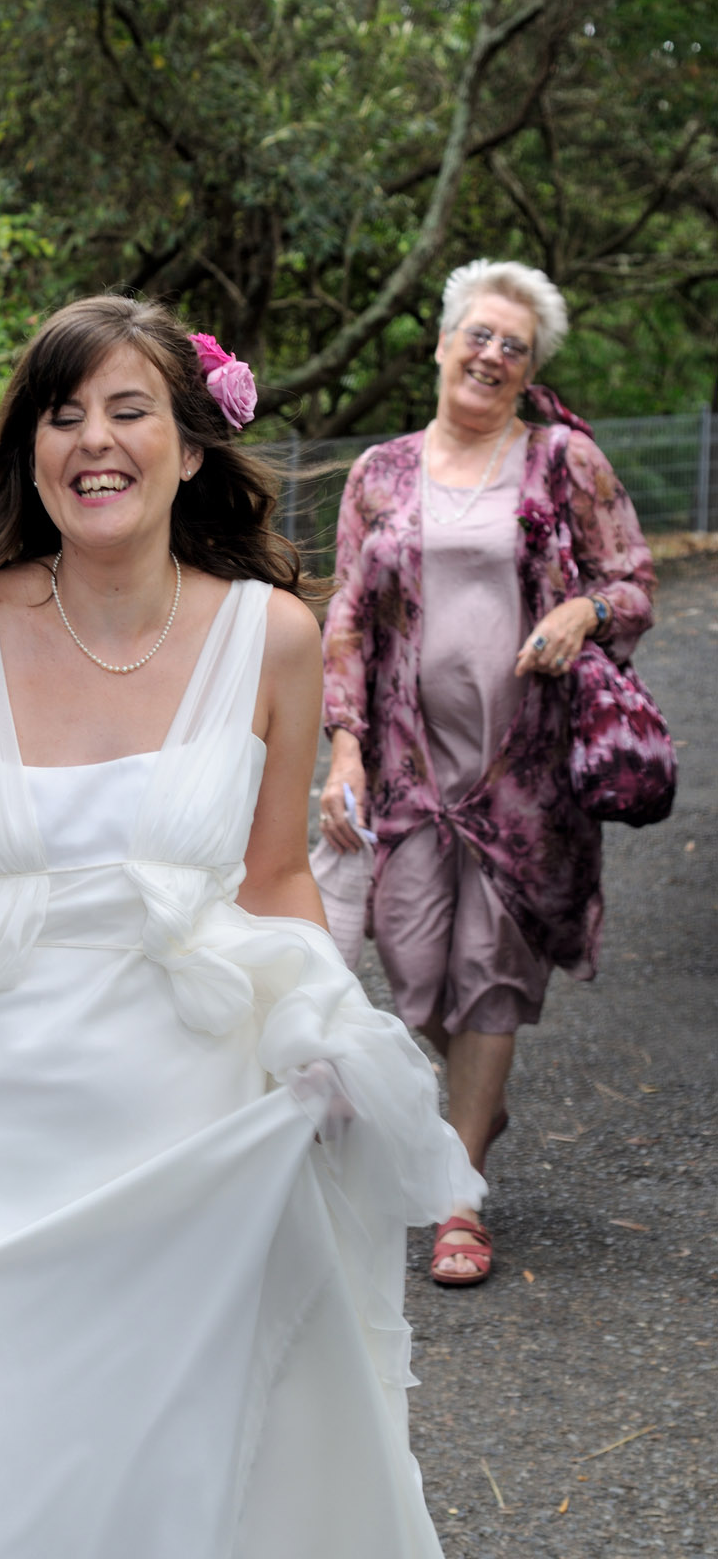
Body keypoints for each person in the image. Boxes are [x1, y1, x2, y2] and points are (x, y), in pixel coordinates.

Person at [0, 294, 481, 1559]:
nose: (94, 438)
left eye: (128, 409)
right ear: (30, 451)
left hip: (189, 1120)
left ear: (189, 445)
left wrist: (323, 1031)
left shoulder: (273, 637)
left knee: (175, 1480)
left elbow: (272, 879)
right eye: (61, 411)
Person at [318, 260, 655, 1288]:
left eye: (514, 344)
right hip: (411, 762)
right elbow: (344, 616)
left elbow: (632, 580)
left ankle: (457, 1192)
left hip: (529, 767)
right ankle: (473, 1091)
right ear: (440, 341)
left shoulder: (563, 462)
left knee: (491, 974)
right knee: (413, 961)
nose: (492, 353)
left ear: (529, 368)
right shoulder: (379, 472)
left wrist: (580, 610)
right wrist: (342, 745)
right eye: (478, 332)